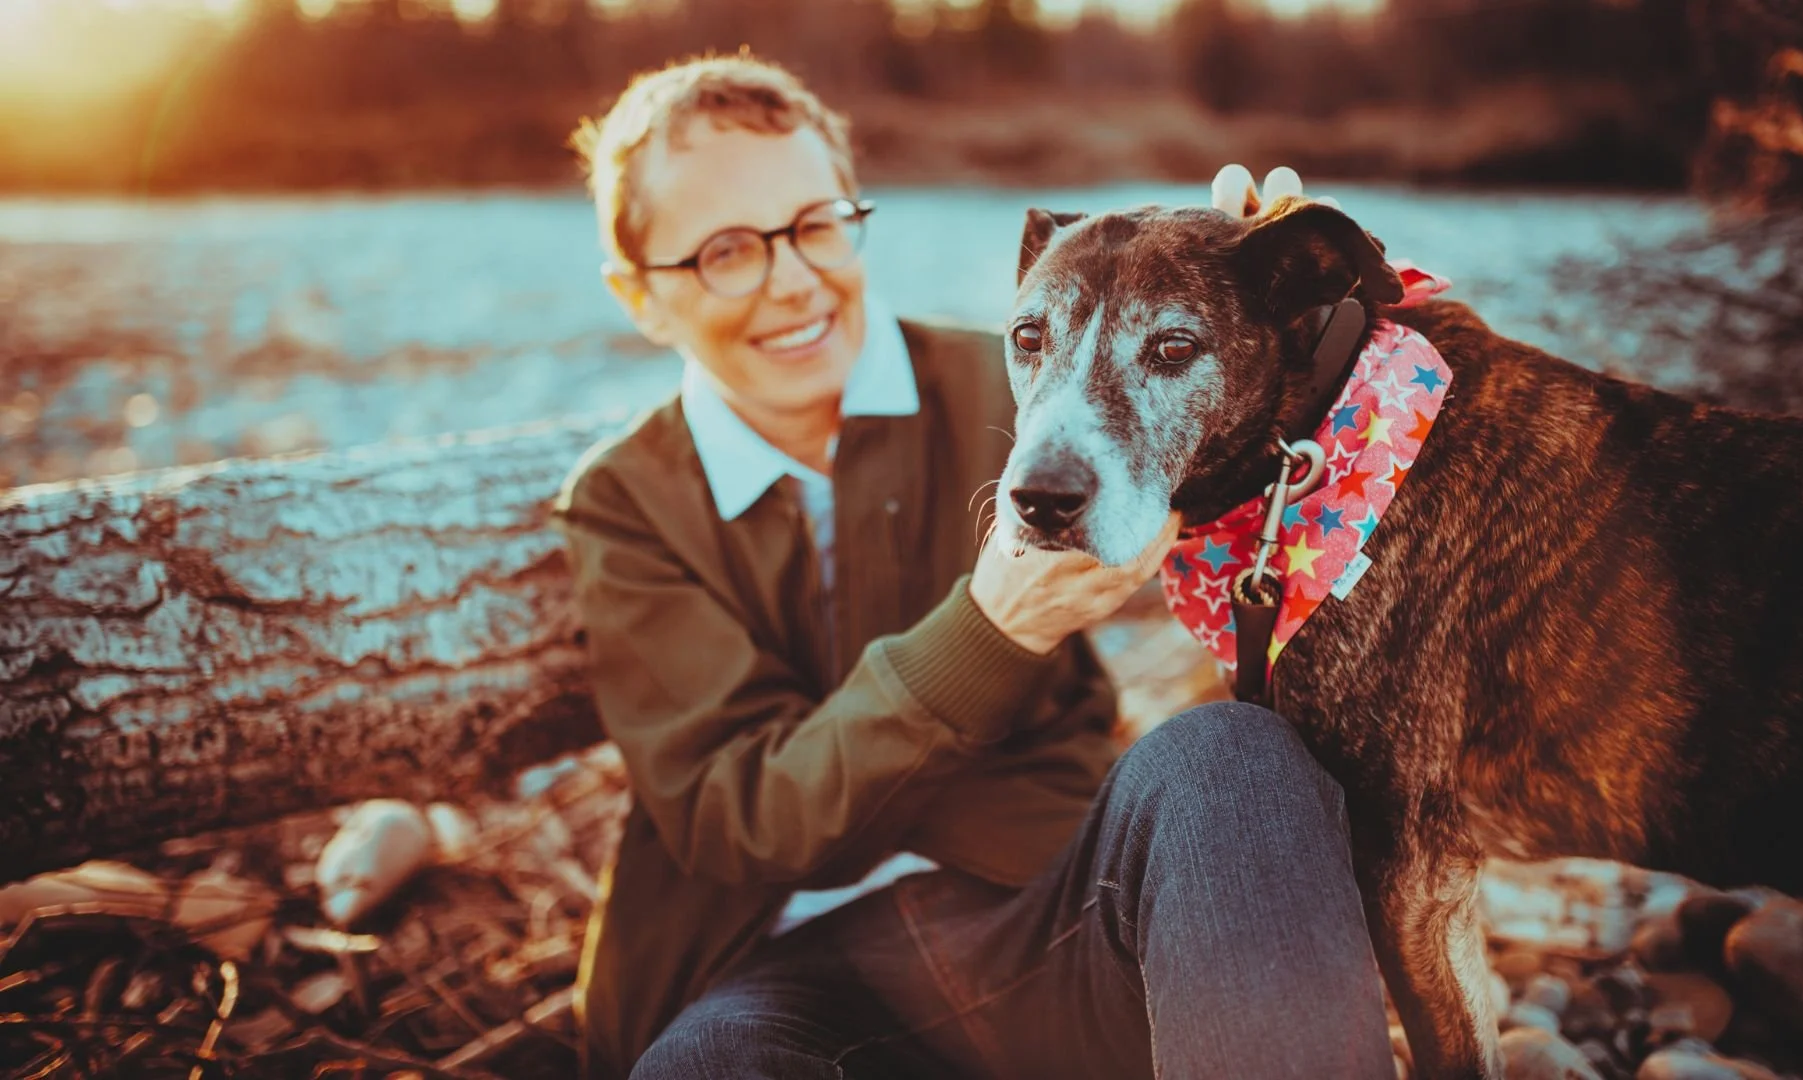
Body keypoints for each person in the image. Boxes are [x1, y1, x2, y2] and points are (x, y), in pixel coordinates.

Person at [551, 55, 1396, 1080]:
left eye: (816, 222)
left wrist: (1282, 298)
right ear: (639, 295)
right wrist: (989, 632)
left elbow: (1273, 449)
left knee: (1235, 764)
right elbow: (741, 817)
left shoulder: (1044, 363)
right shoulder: (630, 502)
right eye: (729, 249)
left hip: (1053, 923)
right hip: (778, 990)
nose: (793, 278)